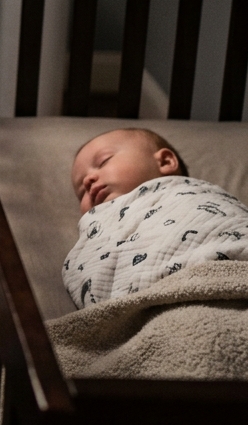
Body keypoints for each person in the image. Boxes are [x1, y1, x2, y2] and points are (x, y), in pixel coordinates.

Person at [64, 128, 248, 307]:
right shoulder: (97, 226)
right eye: (81, 192)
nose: (88, 180)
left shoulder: (194, 193)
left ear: (166, 162)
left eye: (104, 161)